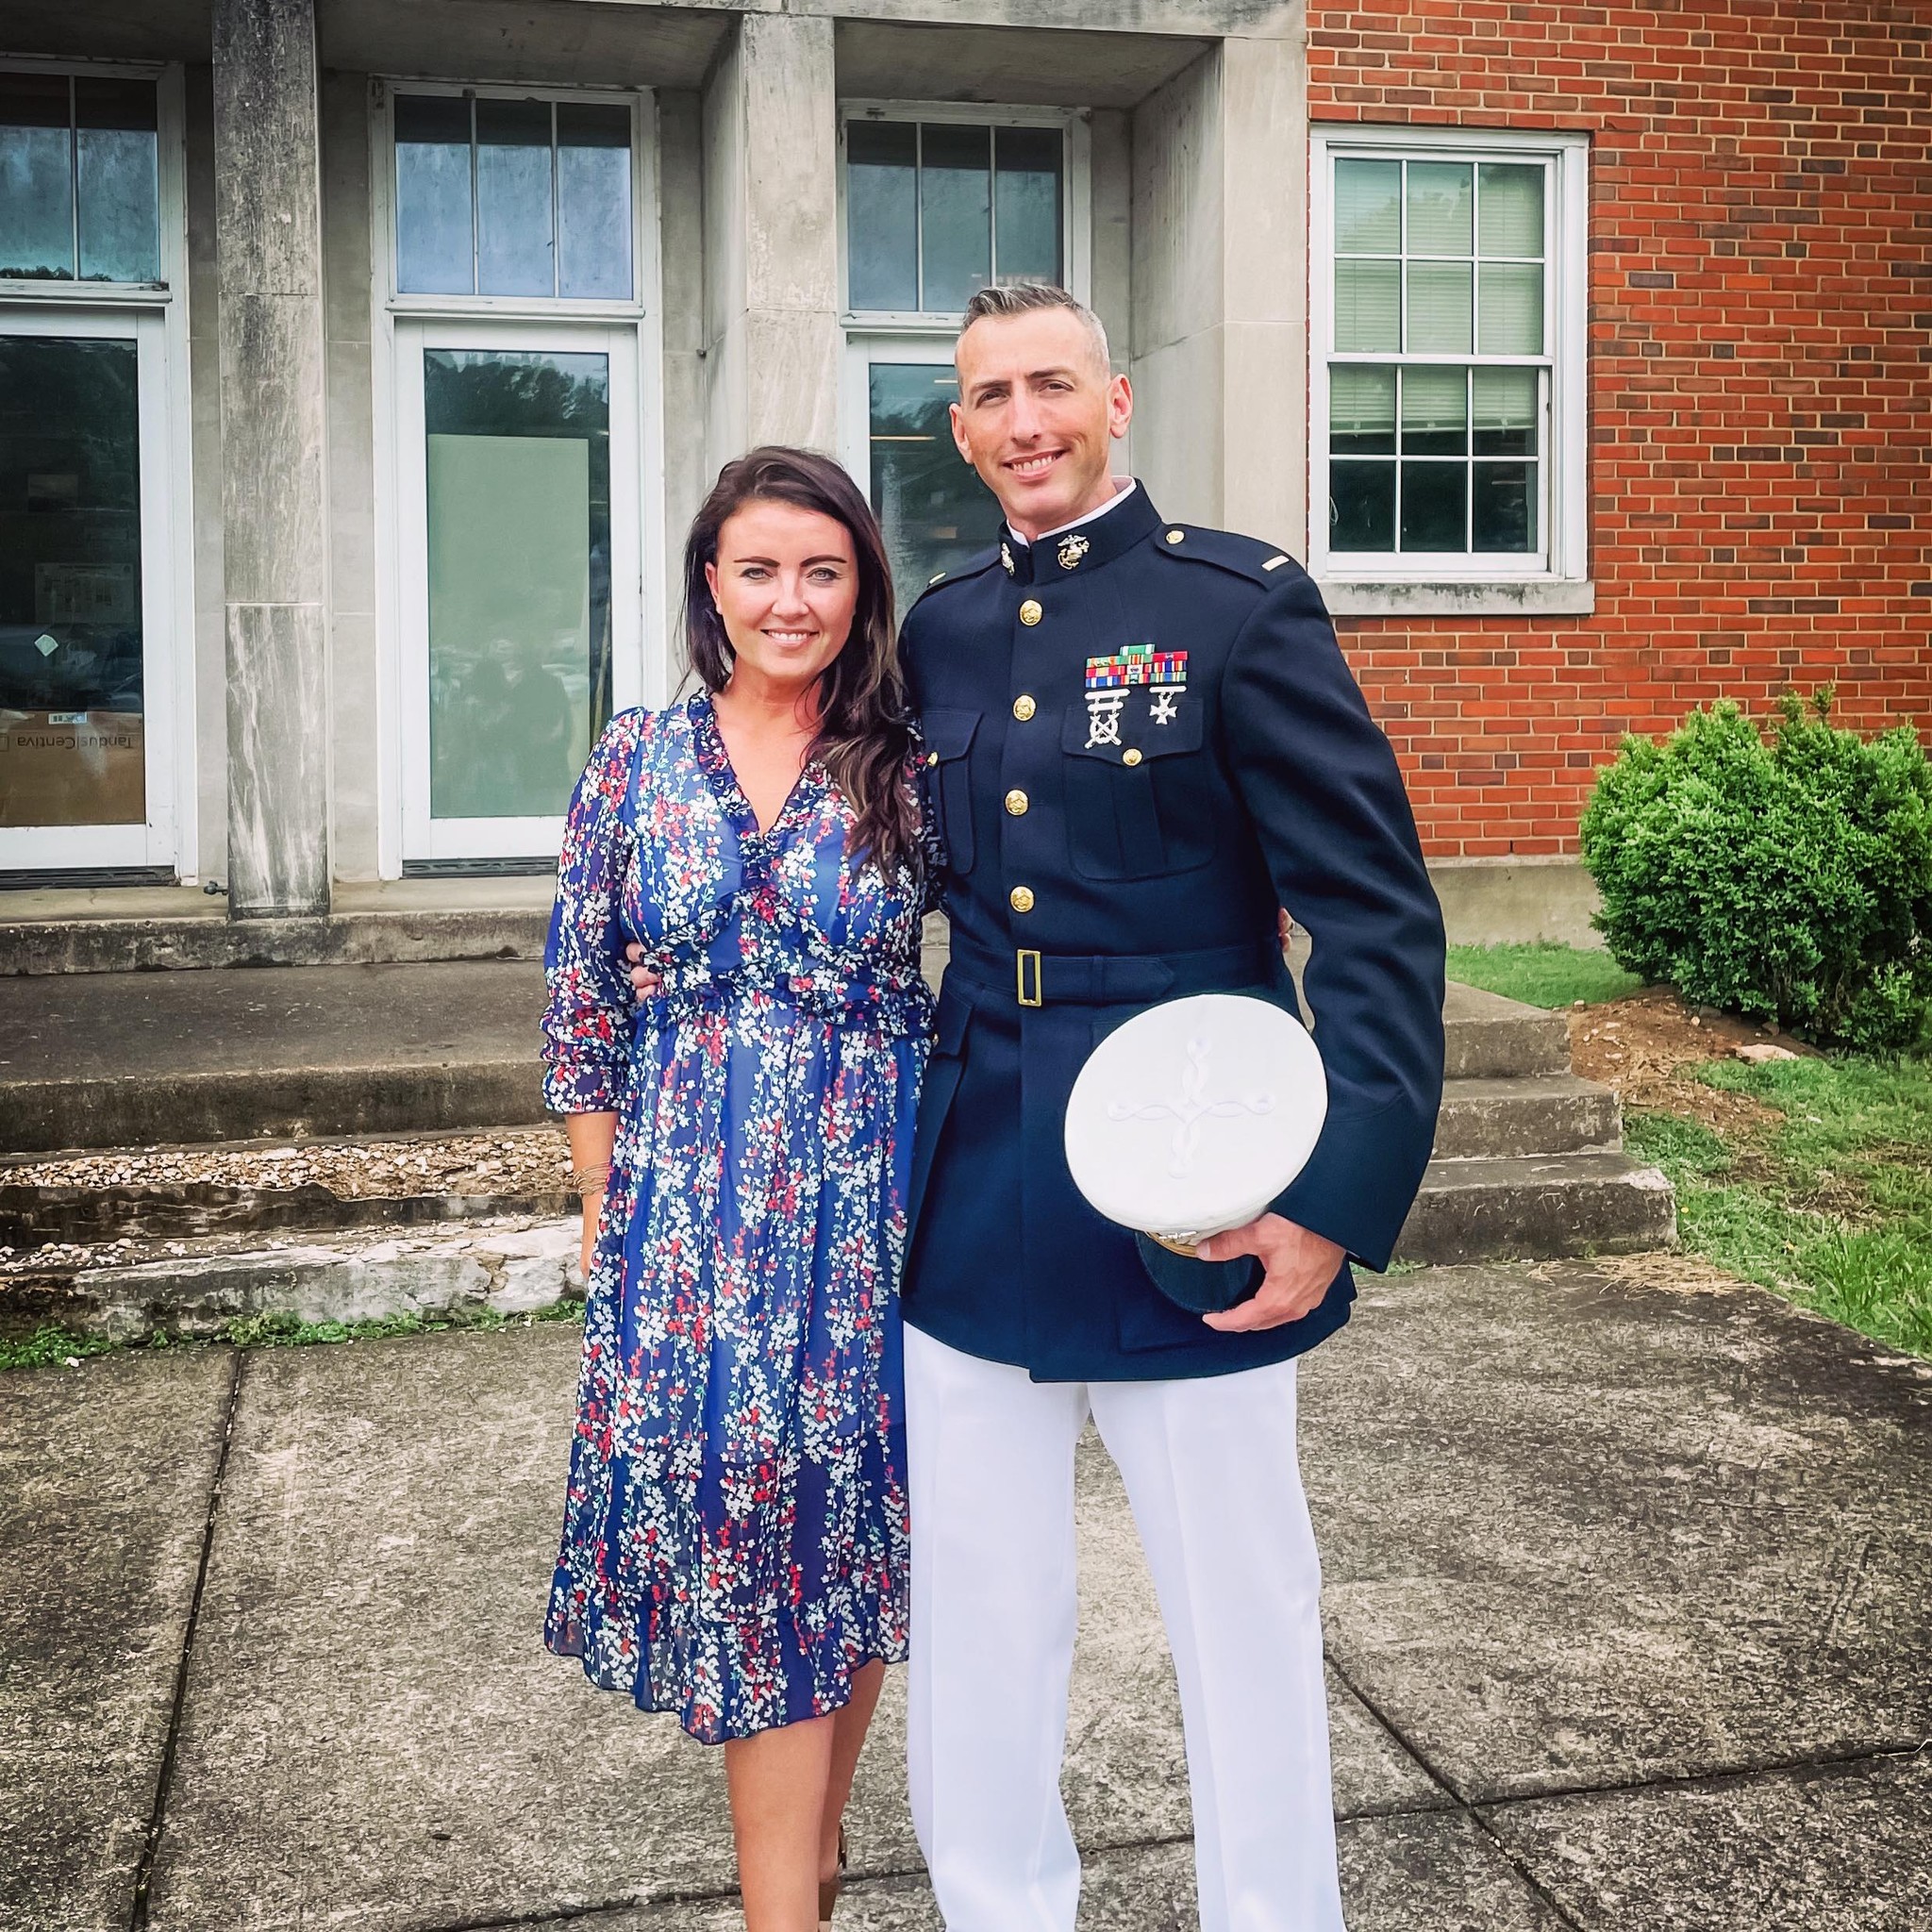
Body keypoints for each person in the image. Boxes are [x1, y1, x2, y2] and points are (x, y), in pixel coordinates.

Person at [895, 283, 1447, 1931]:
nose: (1026, 422)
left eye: (1053, 385)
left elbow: (1373, 916)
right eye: (992, 397)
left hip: (1201, 1170)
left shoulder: (1237, 607)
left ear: (1116, 399)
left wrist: (1334, 1194)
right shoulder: (939, 632)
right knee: (980, 1609)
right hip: (979, 1178)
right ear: (961, 430)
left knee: (1239, 1604)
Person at [541, 446, 935, 1932]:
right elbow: (581, 997)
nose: (790, 600)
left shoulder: (912, 759)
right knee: (744, 1527)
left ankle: (809, 1850)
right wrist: (601, 1198)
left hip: (870, 1195)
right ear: (711, 582)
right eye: (759, 569)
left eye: (823, 571)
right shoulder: (635, 758)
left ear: (861, 589)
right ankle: (791, 1895)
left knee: (857, 1518)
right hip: (687, 1203)